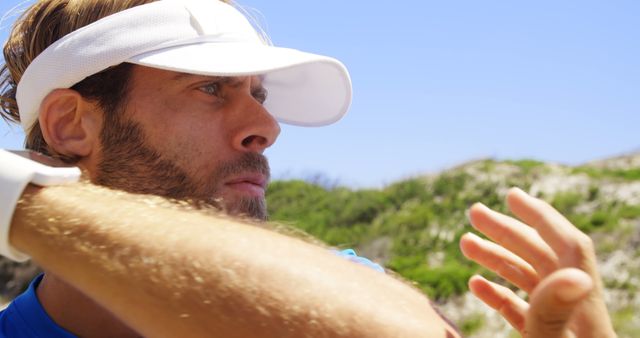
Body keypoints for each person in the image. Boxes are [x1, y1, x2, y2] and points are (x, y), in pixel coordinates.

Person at [0, 0, 616, 337]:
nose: (264, 128)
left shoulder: (351, 283)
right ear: (71, 125)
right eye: (211, 88)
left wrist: (20, 198)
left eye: (258, 94)